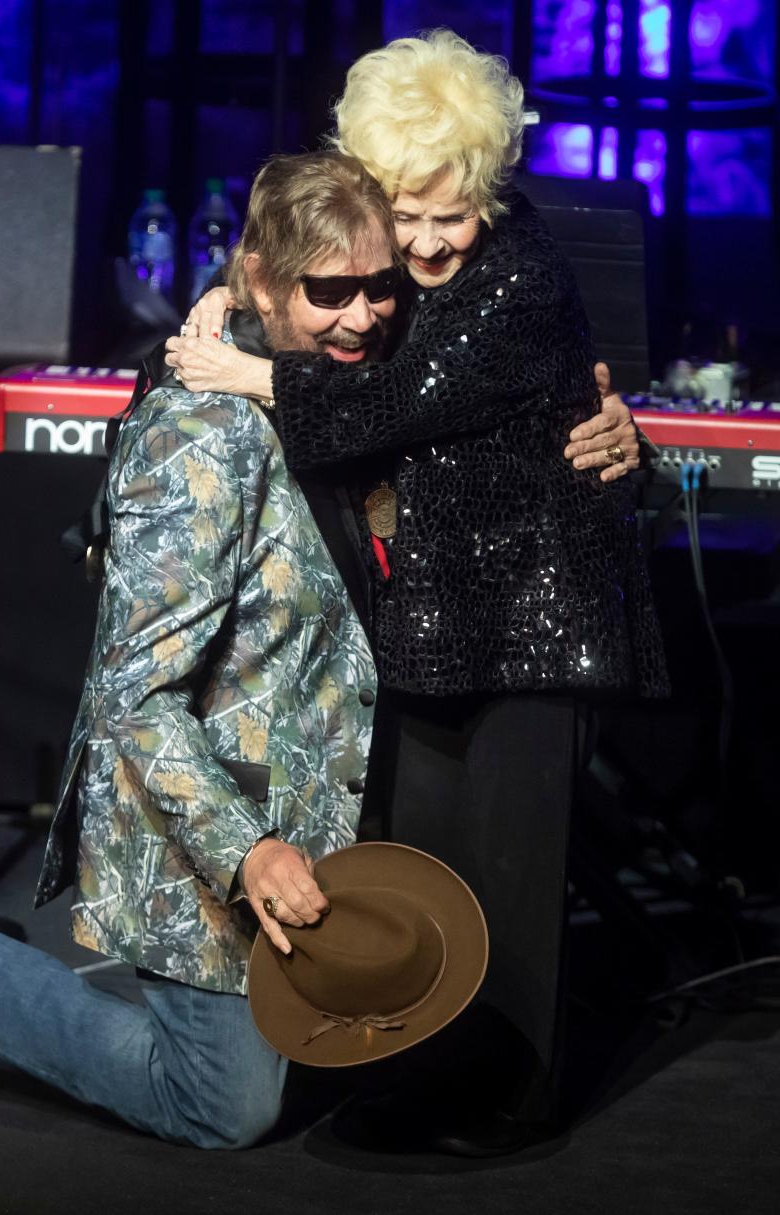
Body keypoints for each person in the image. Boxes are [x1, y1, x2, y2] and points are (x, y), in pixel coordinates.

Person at [165, 30, 669, 1154]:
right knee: (429, 869)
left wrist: (248, 368)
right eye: (411, 214)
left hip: (537, 610)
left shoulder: (523, 278)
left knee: (513, 871)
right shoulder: (382, 248)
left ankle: (516, 1100)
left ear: (491, 188)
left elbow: (398, 402)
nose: (434, 241)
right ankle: (423, 1070)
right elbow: (316, 272)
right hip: (437, 616)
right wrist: (231, 292)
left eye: (458, 212)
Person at [0, 151, 406, 1151]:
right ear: (258, 281)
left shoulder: (339, 392)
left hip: (326, 820)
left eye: (381, 285)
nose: (365, 315)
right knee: (228, 1108)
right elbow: (136, 698)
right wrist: (247, 852)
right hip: (212, 836)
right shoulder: (202, 438)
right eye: (330, 290)